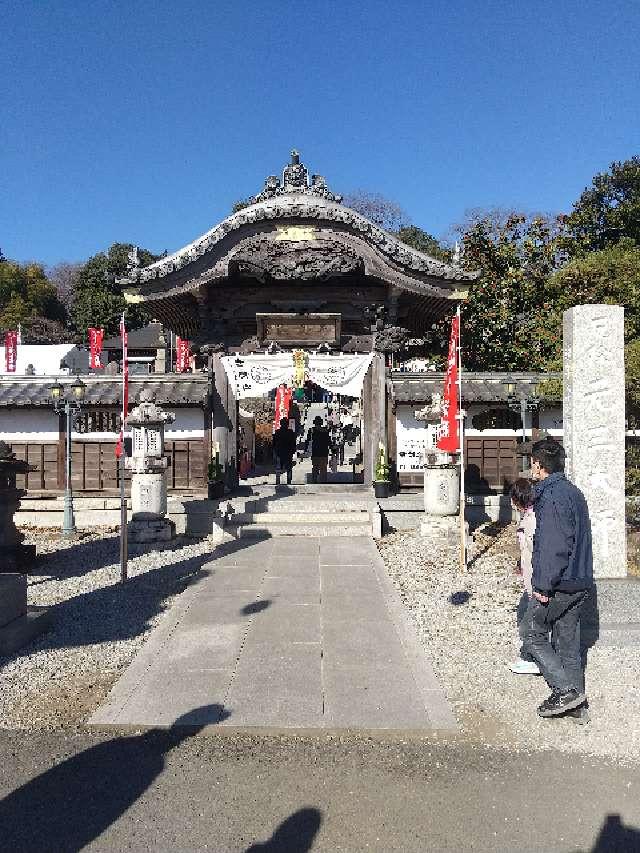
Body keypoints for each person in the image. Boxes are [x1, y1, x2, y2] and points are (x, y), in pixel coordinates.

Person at [522, 438, 594, 719]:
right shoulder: (574, 492)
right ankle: (577, 709)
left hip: (560, 582)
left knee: (531, 632)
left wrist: (542, 586)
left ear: (538, 465)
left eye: (532, 462)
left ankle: (566, 691)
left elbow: (554, 546)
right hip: (580, 579)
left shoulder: (551, 497)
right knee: (567, 643)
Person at [508, 478, 541, 675]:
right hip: (532, 579)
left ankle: (531, 659)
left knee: (528, 621)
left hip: (538, 581)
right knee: (524, 615)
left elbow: (537, 551)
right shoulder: (529, 516)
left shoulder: (532, 520)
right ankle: (529, 656)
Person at [305, 415, 330, 483]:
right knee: (323, 469)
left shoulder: (311, 430)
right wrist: (332, 448)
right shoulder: (325, 431)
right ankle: (323, 482)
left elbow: (307, 441)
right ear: (321, 423)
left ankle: (314, 481)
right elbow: (328, 441)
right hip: (324, 452)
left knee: (315, 468)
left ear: (314, 423)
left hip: (315, 452)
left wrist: (306, 450)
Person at [273, 418, 296, 485]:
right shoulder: (291, 432)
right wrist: (293, 451)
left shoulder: (277, 432)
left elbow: (274, 443)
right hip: (288, 453)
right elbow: (293, 443)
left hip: (279, 452)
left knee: (278, 468)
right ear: (287, 424)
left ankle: (278, 482)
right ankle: (289, 482)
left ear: (281, 424)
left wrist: (275, 451)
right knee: (289, 468)